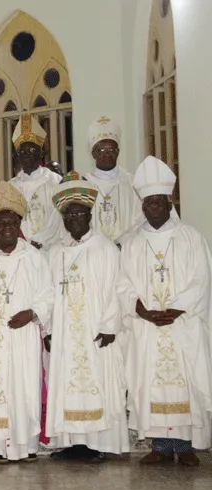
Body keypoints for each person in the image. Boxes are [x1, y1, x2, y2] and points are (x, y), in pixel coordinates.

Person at [119, 156, 212, 466]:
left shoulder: (191, 237)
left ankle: (184, 446)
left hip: (181, 324)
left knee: (184, 381)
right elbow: (123, 284)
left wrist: (175, 309)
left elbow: (202, 279)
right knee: (151, 381)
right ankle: (159, 445)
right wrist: (142, 310)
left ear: (170, 202)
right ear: (142, 205)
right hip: (147, 326)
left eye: (159, 201)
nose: (154, 207)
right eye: (148, 203)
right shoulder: (131, 243)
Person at [45, 171, 128, 462]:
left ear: (90, 215)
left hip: (96, 332)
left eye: (79, 213)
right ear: (63, 220)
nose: (74, 219)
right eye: (69, 215)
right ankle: (73, 443)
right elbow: (47, 294)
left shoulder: (105, 249)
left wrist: (109, 326)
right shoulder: (55, 252)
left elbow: (118, 288)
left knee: (97, 383)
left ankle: (98, 444)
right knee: (67, 383)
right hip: (65, 333)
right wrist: (48, 330)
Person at [0, 182, 54, 464]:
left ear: (20, 223)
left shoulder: (34, 257)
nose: (7, 227)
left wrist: (32, 313)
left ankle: (27, 446)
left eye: (12, 222)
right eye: (1, 222)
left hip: (22, 336)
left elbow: (48, 294)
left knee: (24, 388)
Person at [84, 117, 145, 245]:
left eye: (112, 150)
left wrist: (122, 241)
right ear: (93, 154)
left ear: (118, 152)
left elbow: (141, 218)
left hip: (126, 249)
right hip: (95, 252)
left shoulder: (132, 183)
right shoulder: (84, 184)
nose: (107, 154)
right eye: (101, 150)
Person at [8, 115, 62, 250]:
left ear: (41, 153)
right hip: (19, 249)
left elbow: (58, 218)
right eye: (23, 151)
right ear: (17, 155)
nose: (27, 154)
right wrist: (22, 241)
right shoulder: (10, 187)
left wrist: (39, 241)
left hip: (48, 249)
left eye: (32, 150)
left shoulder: (56, 182)